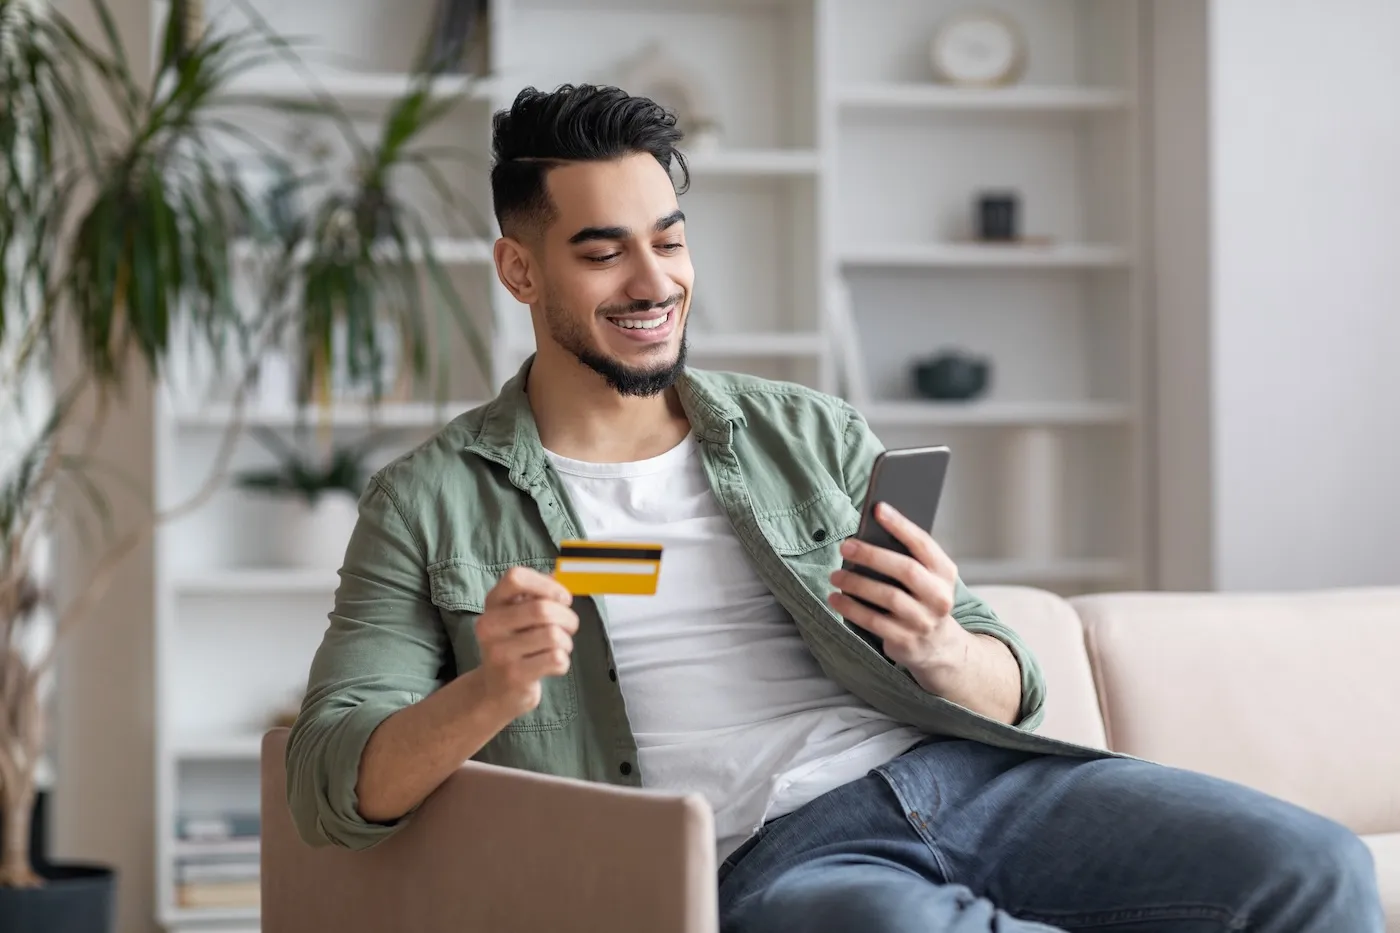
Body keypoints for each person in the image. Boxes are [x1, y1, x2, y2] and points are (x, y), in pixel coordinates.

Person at [285, 84, 1383, 933]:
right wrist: (492, 688)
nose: (651, 281)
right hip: (778, 856)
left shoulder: (804, 433)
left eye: (667, 238)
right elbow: (333, 781)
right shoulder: (427, 502)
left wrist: (943, 646)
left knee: (1315, 867)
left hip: (966, 781)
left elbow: (1012, 682)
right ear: (519, 272)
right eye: (601, 249)